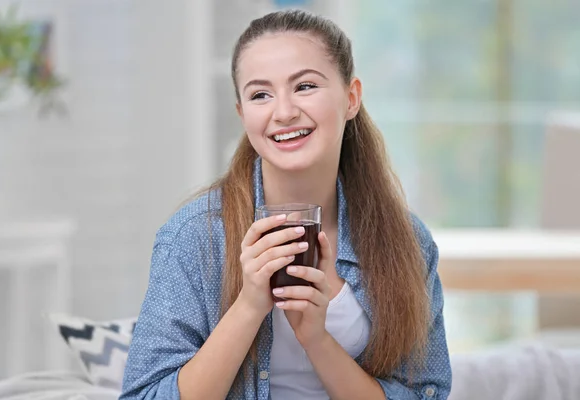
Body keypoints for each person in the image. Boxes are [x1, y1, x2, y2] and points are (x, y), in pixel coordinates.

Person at [120, 9, 451, 400]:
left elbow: (422, 393)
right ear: (243, 114)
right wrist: (248, 305)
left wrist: (317, 339)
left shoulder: (406, 242)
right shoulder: (194, 237)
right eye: (260, 94)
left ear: (351, 97)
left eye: (305, 86)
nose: (283, 112)